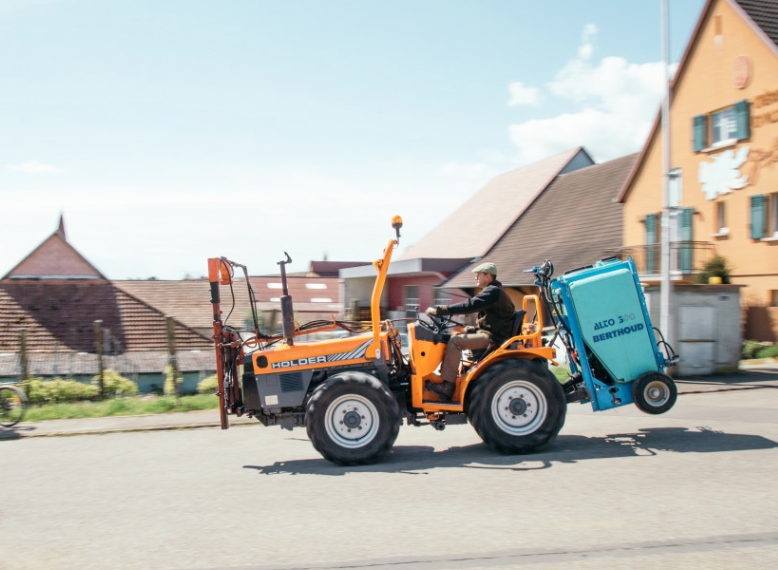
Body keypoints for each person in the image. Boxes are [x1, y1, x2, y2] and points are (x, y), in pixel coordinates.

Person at [424, 262, 515, 400]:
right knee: (463, 332)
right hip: (492, 334)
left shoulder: (493, 291)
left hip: (493, 338)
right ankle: (452, 373)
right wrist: (473, 329)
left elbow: (470, 305)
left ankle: (447, 386)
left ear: (487, 276)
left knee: (455, 341)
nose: (476, 278)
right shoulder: (495, 291)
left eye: (478, 275)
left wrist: (439, 310)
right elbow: (493, 320)